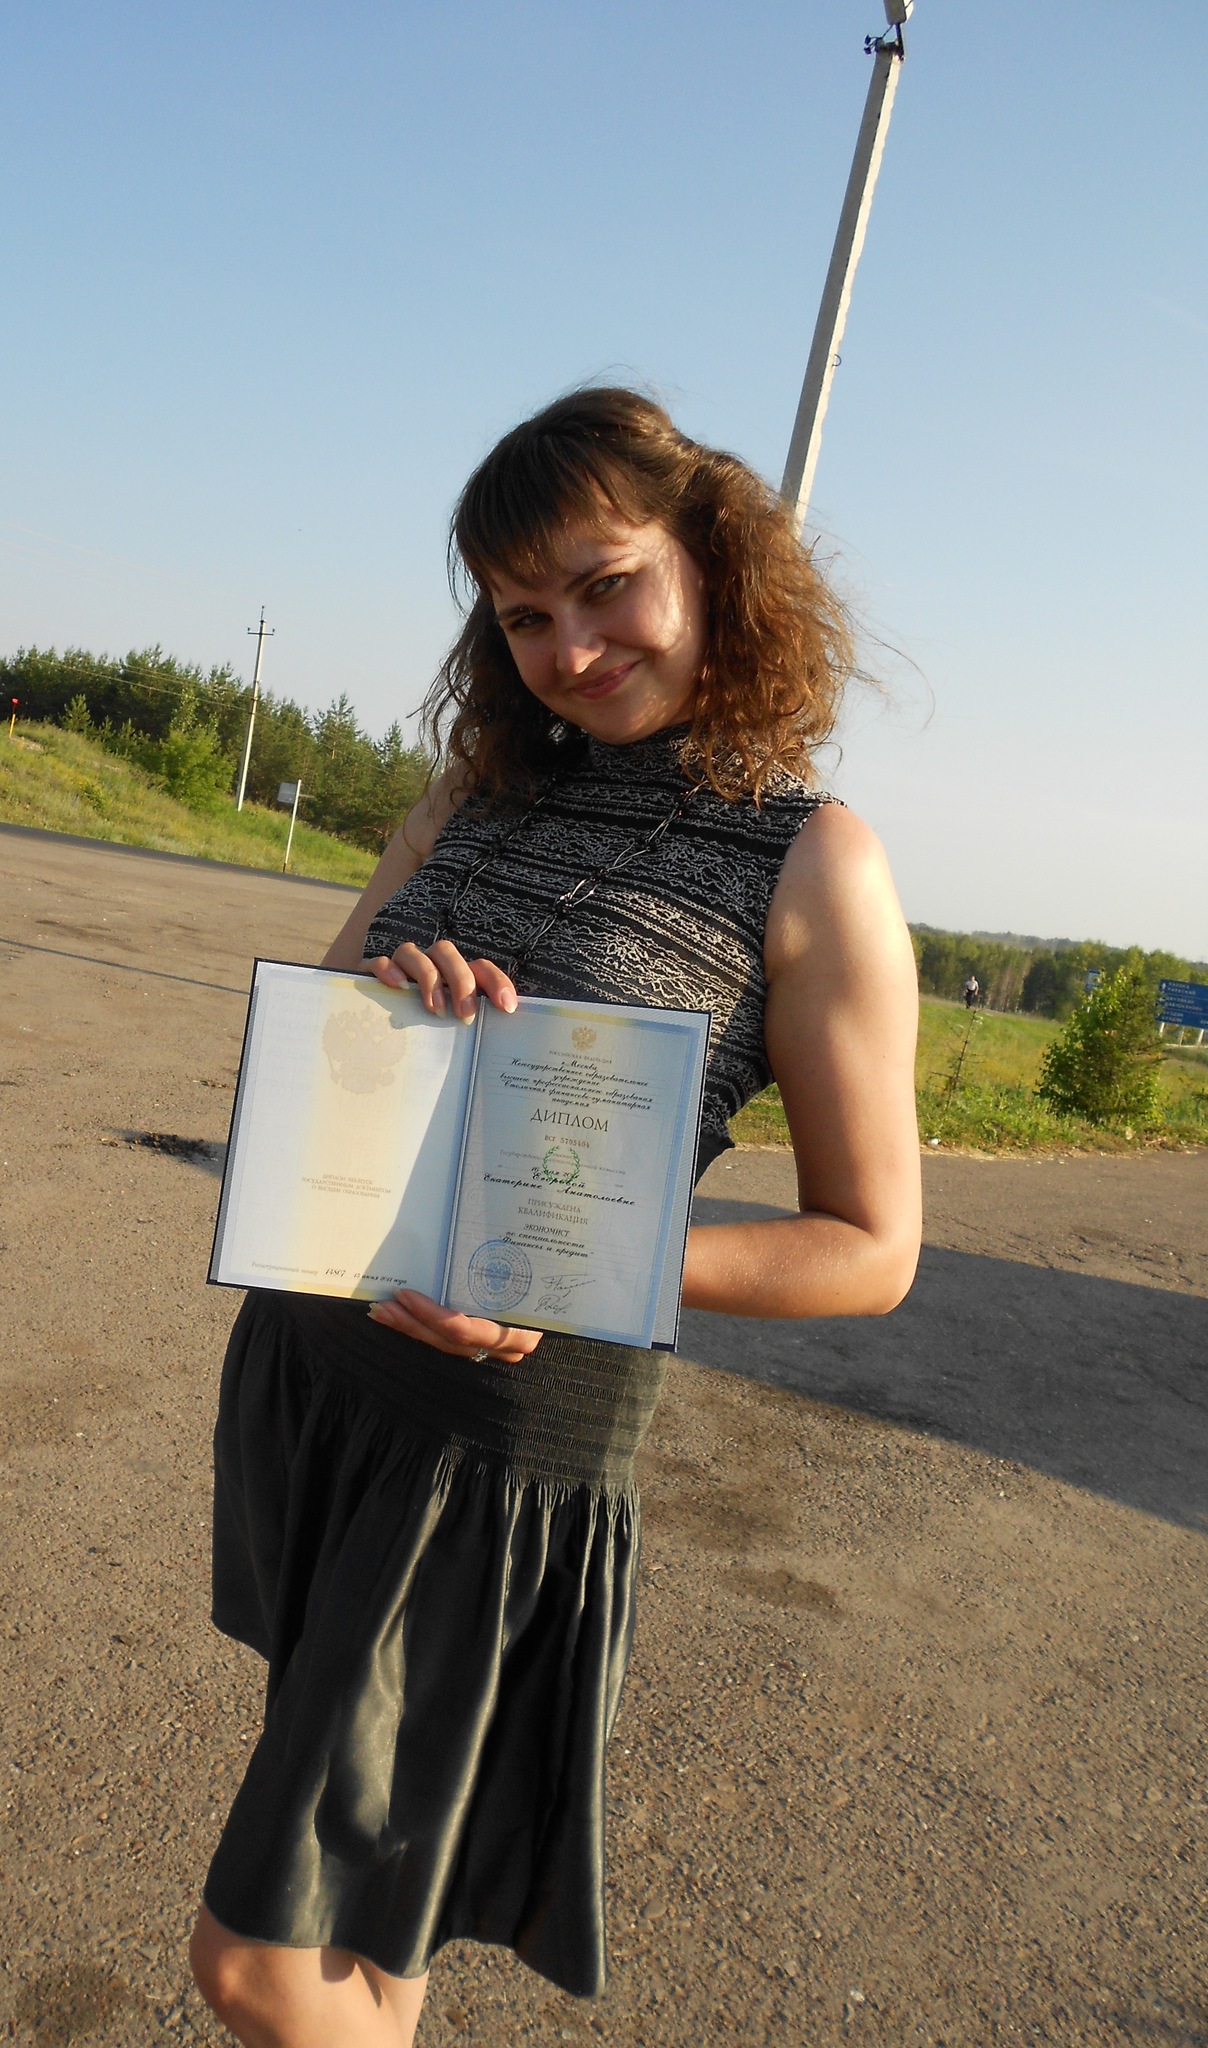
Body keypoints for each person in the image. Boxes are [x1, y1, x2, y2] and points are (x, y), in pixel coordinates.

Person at [189, 388, 922, 2048]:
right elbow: (314, 1050)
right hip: (323, 1378)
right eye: (524, 615)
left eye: (606, 587)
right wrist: (393, 1008)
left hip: (490, 1451)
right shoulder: (476, 790)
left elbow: (871, 1248)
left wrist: (579, 1269)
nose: (571, 650)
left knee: (260, 1965)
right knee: (369, 1918)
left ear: (712, 560)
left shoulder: (813, 863)